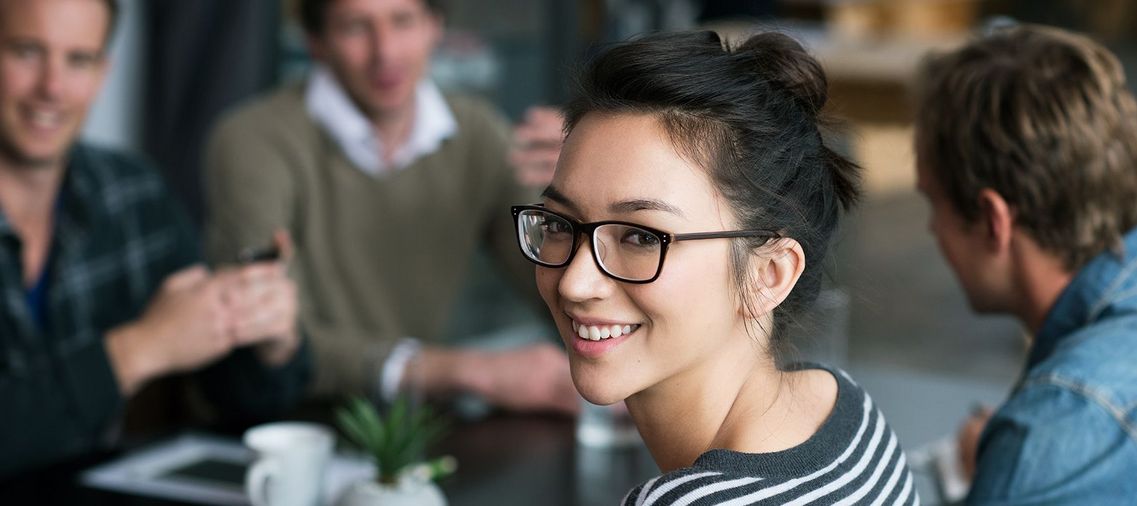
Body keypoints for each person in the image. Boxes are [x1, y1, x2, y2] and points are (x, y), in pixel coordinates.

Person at [516, 30, 918, 504]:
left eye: (641, 237)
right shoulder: (846, 413)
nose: (575, 282)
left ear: (770, 274)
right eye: (559, 223)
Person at [204, 0, 577, 413]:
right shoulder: (253, 140)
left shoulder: (478, 133)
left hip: (413, 424)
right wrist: (469, 371)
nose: (385, 52)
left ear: (435, 25)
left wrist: (583, 198)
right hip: (287, 423)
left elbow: (557, 290)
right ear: (316, 42)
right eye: (355, 27)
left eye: (403, 21)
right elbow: (272, 334)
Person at [0, 0, 308, 477]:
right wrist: (139, 349)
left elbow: (237, 399)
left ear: (102, 73)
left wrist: (268, 340)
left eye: (79, 60)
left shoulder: (133, 193)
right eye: (26, 52)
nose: (52, 87)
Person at [914, 24, 1137, 504]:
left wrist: (1010, 464)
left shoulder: (1050, 427)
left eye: (934, 204)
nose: (932, 229)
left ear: (993, 220)